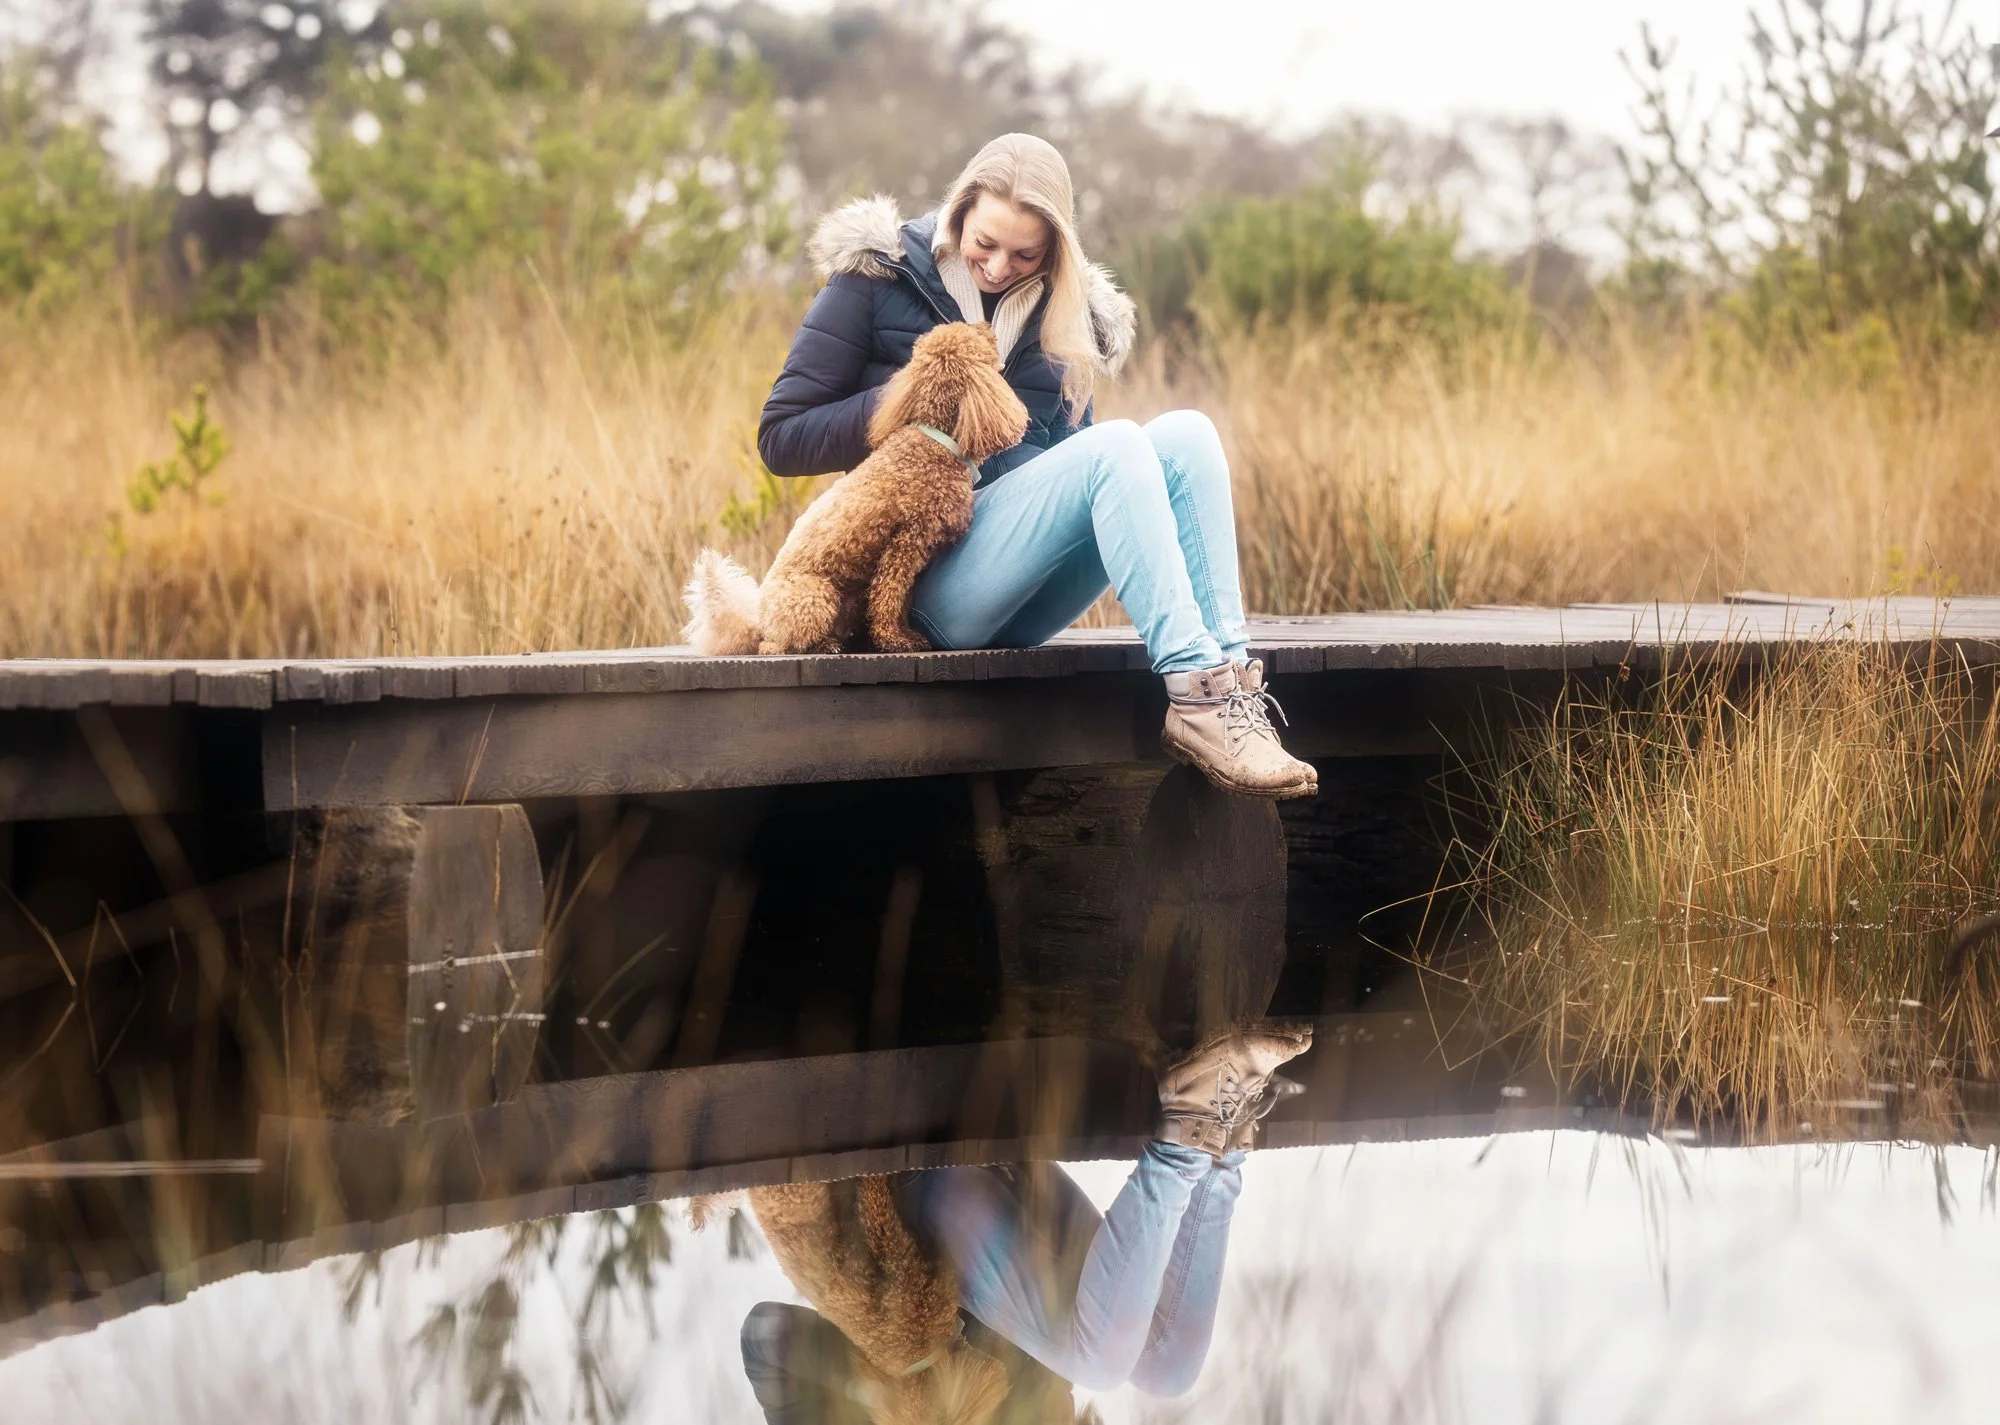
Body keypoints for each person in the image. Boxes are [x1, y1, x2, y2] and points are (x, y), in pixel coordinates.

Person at [757, 133, 1317, 801]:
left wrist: (1016, 450)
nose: (998, 268)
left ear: (1055, 252)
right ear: (959, 212)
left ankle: (1230, 694)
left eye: (1025, 255)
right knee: (1115, 447)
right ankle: (1193, 689)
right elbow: (781, 435)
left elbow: (1066, 470)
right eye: (984, 244)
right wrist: (915, 399)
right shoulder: (879, 275)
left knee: (1187, 435)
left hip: (1012, 580)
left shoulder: (1061, 318)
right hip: (916, 590)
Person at [738, 1022, 1313, 1424]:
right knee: (1167, 1369)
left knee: (1099, 1362)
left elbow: (764, 1338)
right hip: (1007, 1213)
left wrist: (903, 1386)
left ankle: (1192, 1117)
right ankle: (1224, 1133)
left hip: (910, 1214)